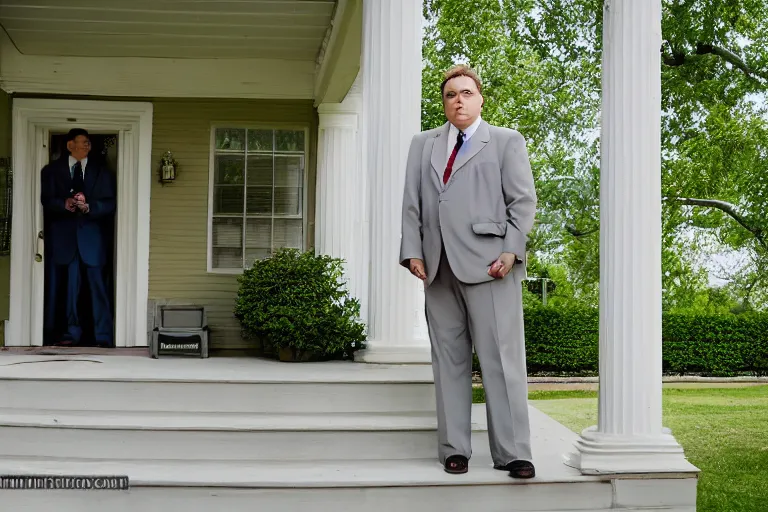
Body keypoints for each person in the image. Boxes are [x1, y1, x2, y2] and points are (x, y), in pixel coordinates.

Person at [399, 65, 538, 478]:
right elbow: (412, 204)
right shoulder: (422, 145)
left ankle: (514, 453)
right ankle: (454, 449)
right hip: (437, 268)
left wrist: (512, 253)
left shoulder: (506, 142)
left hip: (491, 266)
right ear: (443, 102)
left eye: (465, 93)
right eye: (449, 95)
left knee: (502, 360)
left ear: (480, 99)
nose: (457, 100)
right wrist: (412, 252)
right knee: (448, 362)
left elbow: (523, 202)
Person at [41, 128, 116, 347]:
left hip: (92, 240)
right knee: (68, 290)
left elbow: (110, 203)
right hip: (64, 240)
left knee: (98, 289)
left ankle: (102, 337)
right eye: (82, 143)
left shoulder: (102, 172)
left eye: (88, 144)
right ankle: (69, 335)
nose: (86, 147)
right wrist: (63, 204)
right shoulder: (51, 171)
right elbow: (46, 200)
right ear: (69, 145)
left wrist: (90, 207)